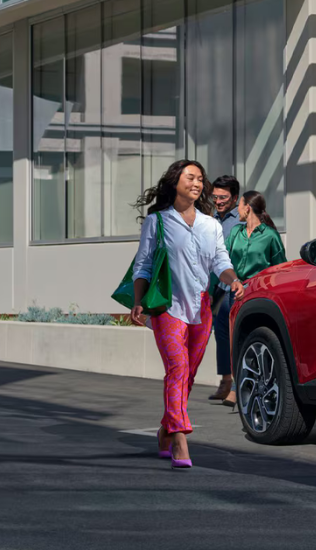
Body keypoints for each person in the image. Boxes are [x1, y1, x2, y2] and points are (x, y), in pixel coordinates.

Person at [129, 159, 243, 469]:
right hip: (168, 307)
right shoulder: (157, 222)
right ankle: (179, 436)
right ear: (175, 182)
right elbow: (143, 264)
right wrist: (138, 301)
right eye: (190, 177)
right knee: (177, 368)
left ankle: (165, 430)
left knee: (187, 374)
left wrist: (233, 280)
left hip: (201, 308)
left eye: (200, 179)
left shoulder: (211, 225)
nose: (196, 183)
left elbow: (220, 261)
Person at [216, 190, 287, 405]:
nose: (236, 209)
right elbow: (223, 260)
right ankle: (236, 386)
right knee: (232, 341)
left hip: (258, 295)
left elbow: (280, 269)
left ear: (247, 208)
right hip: (234, 294)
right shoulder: (236, 233)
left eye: (239, 205)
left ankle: (252, 387)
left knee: (253, 340)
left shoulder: (270, 236)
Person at [206, 175, 243, 401]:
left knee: (235, 335)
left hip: (236, 286)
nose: (218, 202)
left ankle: (238, 386)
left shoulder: (241, 220)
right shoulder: (210, 220)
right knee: (220, 337)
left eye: (223, 198)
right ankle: (226, 381)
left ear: (235, 198)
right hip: (217, 287)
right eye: (215, 197)